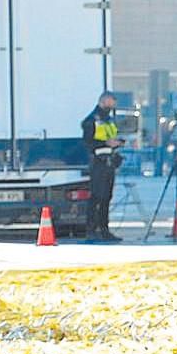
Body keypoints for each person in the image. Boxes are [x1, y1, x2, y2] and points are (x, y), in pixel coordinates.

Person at [81, 91, 123, 243]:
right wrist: (106, 144)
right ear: (103, 101)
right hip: (98, 163)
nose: (113, 106)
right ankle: (91, 231)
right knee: (96, 197)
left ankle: (104, 231)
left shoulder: (109, 120)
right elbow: (88, 143)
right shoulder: (91, 120)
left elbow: (110, 137)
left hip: (109, 163)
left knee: (107, 198)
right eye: (111, 103)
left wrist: (117, 144)